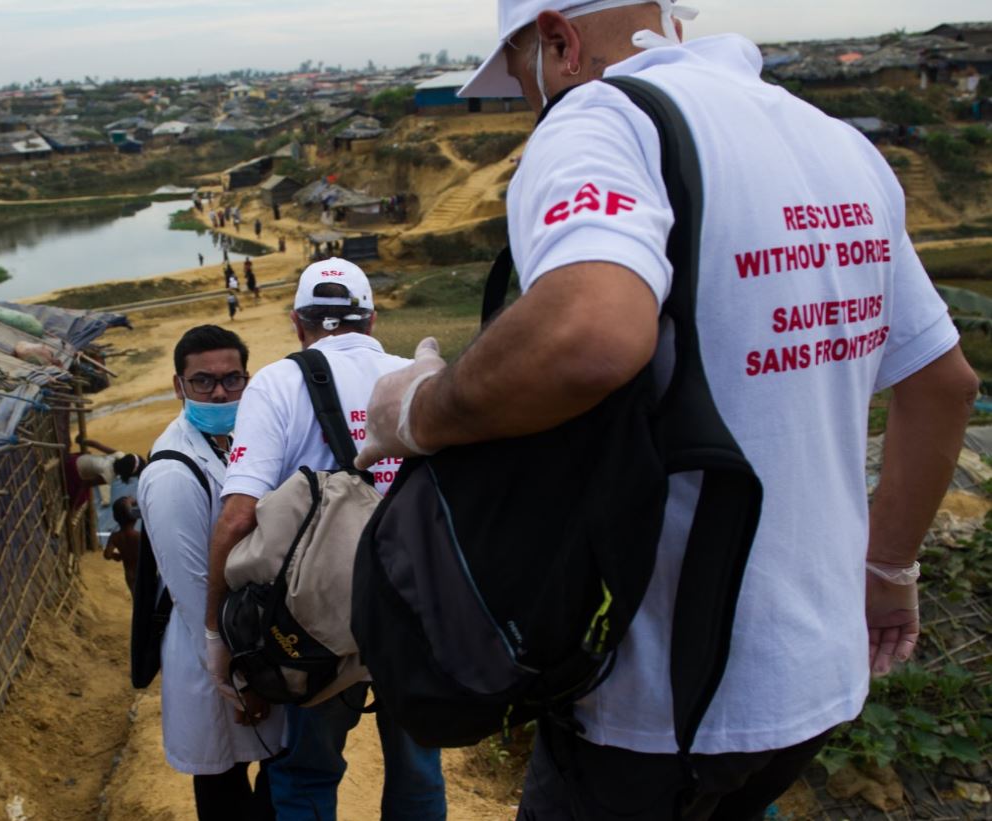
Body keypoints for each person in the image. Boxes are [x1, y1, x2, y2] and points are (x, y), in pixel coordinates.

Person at [355, 2, 977, 818]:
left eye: (517, 73)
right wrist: (888, 568)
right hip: (817, 684)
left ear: (558, 40)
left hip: (657, 707)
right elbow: (943, 382)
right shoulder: (832, 140)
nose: (523, 98)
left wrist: (418, 412)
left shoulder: (602, 121)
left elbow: (591, 333)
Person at [206, 260, 446, 820]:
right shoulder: (419, 377)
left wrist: (218, 633)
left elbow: (238, 518)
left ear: (298, 324)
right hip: (415, 610)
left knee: (308, 773)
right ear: (371, 319)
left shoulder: (276, 383)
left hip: (312, 622)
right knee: (418, 772)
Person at [138, 325, 283, 820]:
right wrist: (239, 680)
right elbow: (193, 590)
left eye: (232, 379)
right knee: (224, 787)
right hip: (217, 657)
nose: (220, 391)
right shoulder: (173, 472)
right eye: (203, 381)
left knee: (269, 774)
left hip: (250, 644)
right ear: (179, 385)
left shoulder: (239, 441)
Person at [102, 496, 142, 593]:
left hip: (129, 575)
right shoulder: (139, 536)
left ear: (115, 517)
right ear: (135, 518)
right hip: (143, 573)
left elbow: (107, 555)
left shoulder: (115, 537)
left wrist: (119, 556)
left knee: (136, 599)